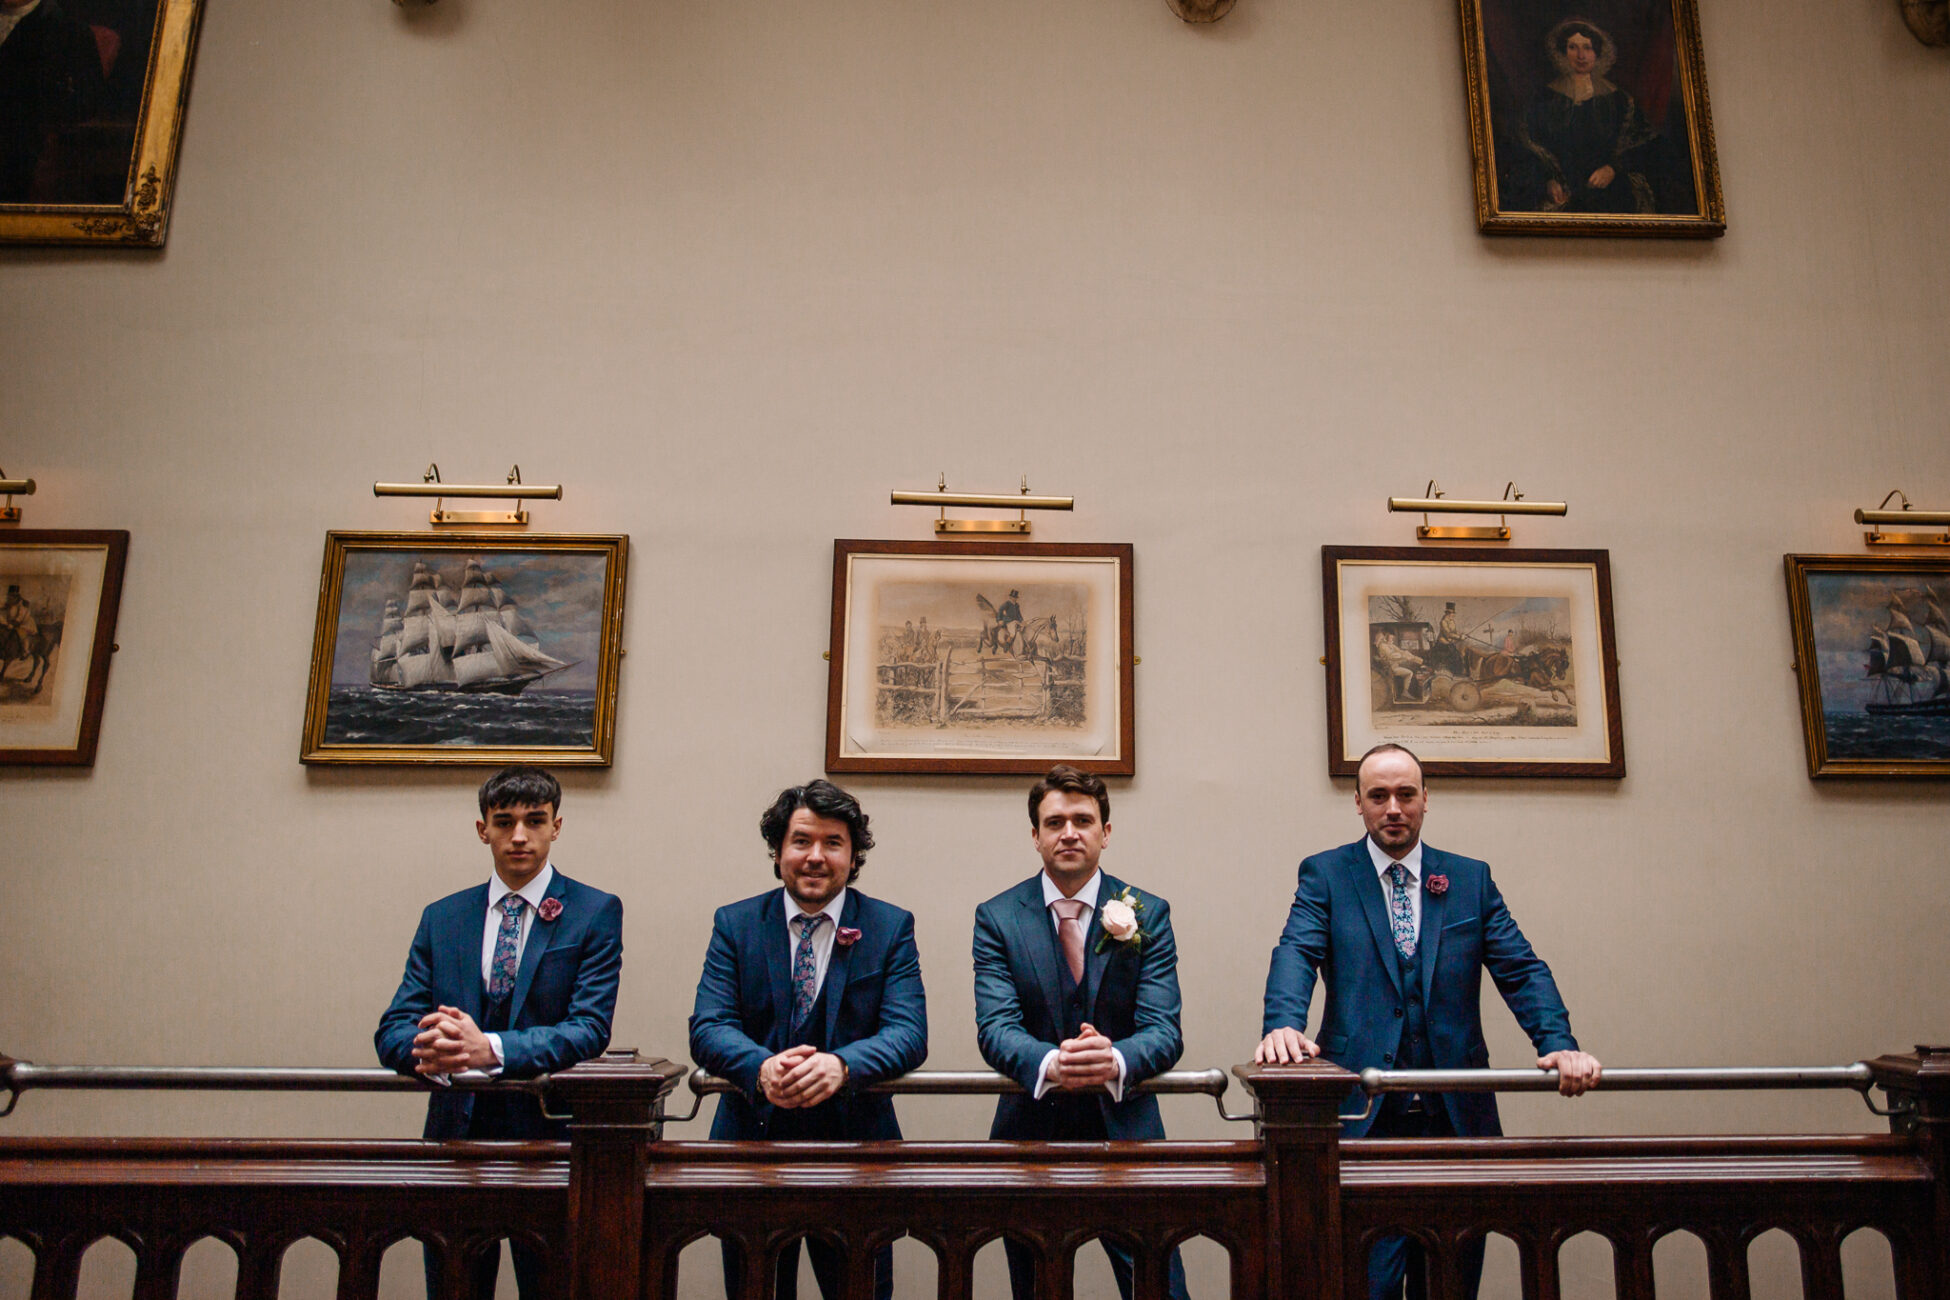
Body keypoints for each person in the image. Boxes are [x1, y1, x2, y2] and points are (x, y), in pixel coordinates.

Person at [1257, 743, 1599, 1300]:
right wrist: (1283, 1024)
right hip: (1363, 1121)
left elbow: (1521, 971)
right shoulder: (1326, 874)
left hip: (1457, 1118)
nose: (1393, 807)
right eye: (1379, 796)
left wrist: (1559, 1044)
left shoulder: (1470, 879)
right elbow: (1296, 950)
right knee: (1367, 1285)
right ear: (1360, 805)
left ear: (1424, 800)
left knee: (1453, 1282)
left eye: (1406, 794)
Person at [376, 765, 624, 1300]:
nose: (518, 835)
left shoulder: (594, 912)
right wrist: (431, 1050)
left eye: (534, 821)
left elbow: (588, 1028)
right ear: (481, 829)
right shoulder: (443, 917)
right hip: (455, 1141)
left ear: (556, 827)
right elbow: (393, 1028)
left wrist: (487, 1047)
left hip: (551, 1144)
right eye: (504, 821)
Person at [689, 779, 927, 1300]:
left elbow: (909, 1033)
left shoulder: (890, 927)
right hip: (751, 1154)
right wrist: (761, 1069)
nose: (815, 857)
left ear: (853, 856)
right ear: (778, 853)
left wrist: (841, 1066)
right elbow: (708, 1026)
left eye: (833, 843)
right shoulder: (736, 924)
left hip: (857, 1158)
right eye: (801, 841)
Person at [973, 765, 1190, 1300]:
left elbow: (1164, 1029)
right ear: (1035, 836)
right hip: (1030, 1137)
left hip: (1128, 1134)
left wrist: (1111, 1059)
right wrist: (1055, 1063)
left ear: (1105, 832)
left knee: (1159, 1287)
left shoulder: (1149, 912)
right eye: (1054, 822)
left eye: (1082, 820)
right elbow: (996, 1028)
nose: (1069, 832)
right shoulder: (998, 917)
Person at [1507, 19, 1660, 214]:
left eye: (1587, 48)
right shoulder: (1543, 99)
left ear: (1597, 52)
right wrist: (1547, 181)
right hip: (1561, 197)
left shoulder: (1620, 100)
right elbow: (1526, 148)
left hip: (1611, 192)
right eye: (1573, 47)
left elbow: (1646, 146)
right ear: (1562, 51)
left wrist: (1613, 169)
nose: (1581, 56)